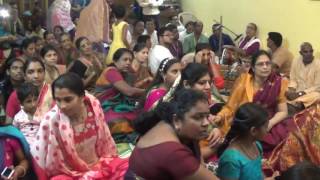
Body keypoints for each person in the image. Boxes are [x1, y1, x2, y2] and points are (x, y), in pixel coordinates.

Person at [31, 73, 128, 179]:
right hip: (71, 173)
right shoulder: (52, 119)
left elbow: (105, 140)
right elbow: (39, 155)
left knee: (126, 168)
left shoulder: (94, 106)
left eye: (68, 100)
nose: (62, 106)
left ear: (82, 97)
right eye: (58, 100)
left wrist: (99, 168)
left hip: (99, 164)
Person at [213, 50, 291, 157]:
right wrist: (220, 116)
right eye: (261, 64)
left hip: (267, 123)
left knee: (284, 140)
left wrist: (269, 123)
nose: (265, 67)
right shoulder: (244, 80)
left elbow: (283, 112)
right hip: (246, 122)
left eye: (268, 63)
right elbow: (231, 106)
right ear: (253, 68)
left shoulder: (278, 82)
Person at [129, 89, 219, 180]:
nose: (206, 123)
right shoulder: (174, 153)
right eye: (198, 117)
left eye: (207, 116)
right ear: (176, 120)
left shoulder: (165, 124)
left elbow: (200, 164)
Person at [217, 103, 279, 180]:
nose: (267, 130)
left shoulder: (256, 145)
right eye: (265, 127)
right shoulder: (231, 160)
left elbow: (258, 173)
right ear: (253, 131)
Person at [95, 48, 145, 122]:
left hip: (115, 103)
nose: (128, 62)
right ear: (115, 61)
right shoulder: (111, 71)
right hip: (104, 105)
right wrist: (149, 91)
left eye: (130, 60)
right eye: (125, 59)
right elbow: (129, 91)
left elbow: (131, 86)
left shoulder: (122, 72)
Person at [6, 58, 54, 124]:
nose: (36, 76)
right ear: (24, 76)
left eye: (40, 71)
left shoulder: (53, 91)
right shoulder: (16, 95)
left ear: (44, 73)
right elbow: (8, 124)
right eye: (30, 72)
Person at [286, 42, 320, 114]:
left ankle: (299, 103)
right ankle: (297, 103)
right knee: (283, 83)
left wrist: (300, 93)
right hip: (297, 90)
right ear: (300, 53)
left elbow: (317, 86)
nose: (309, 54)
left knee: (317, 95)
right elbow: (293, 78)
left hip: (311, 93)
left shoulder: (318, 64)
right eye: (306, 52)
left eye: (311, 51)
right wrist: (292, 90)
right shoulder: (296, 60)